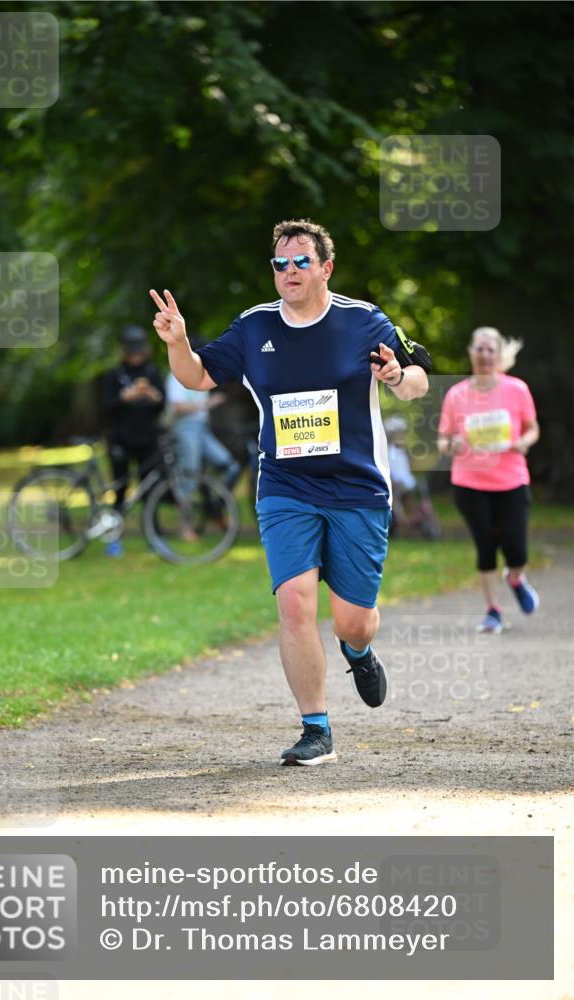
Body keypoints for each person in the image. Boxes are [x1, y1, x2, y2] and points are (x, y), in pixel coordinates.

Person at [150, 219, 430, 766]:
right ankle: (316, 728)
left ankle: (359, 649)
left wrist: (397, 375)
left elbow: (419, 378)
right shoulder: (255, 328)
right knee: (295, 603)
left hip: (357, 487)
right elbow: (197, 377)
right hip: (285, 485)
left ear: (326, 268)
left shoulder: (362, 319)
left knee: (352, 618)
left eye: (301, 261)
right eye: (280, 264)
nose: (289, 271)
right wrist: (179, 342)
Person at [437, 326, 540, 634]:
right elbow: (443, 439)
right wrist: (451, 445)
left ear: (498, 355)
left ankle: (516, 578)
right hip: (469, 482)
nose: (483, 355)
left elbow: (533, 427)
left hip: (511, 478)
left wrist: (525, 441)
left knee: (516, 549)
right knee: (485, 546)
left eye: (489, 350)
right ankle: (493, 611)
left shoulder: (517, 389)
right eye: (478, 349)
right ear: (471, 352)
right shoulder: (457, 394)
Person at [165, 343, 241, 542]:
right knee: (189, 476)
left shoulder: (204, 373)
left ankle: (215, 509)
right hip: (186, 429)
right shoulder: (176, 374)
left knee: (230, 467)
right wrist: (206, 404)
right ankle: (185, 527)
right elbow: (177, 406)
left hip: (202, 429)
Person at [102, 325, 165, 556]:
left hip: (147, 439)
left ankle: (153, 538)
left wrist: (151, 394)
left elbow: (162, 404)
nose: (136, 355)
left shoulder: (152, 372)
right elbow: (107, 406)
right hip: (120, 438)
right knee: (120, 491)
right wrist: (126, 396)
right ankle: (114, 539)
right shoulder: (114, 374)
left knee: (150, 490)